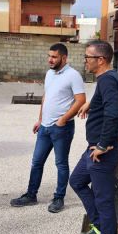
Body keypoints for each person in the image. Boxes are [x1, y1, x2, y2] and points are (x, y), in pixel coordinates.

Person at [69, 40, 118, 234]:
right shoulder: (106, 80)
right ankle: (98, 226)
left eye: (88, 57)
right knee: (77, 180)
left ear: (100, 60)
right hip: (93, 149)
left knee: (104, 201)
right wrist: (90, 104)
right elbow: (107, 104)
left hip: (101, 152)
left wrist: (104, 144)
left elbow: (114, 114)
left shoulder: (109, 80)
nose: (85, 61)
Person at [10, 43, 86, 213]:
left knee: (61, 164)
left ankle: (59, 198)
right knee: (37, 162)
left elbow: (81, 100)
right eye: (49, 56)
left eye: (54, 57)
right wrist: (40, 119)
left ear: (64, 58)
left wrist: (63, 119)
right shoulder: (49, 74)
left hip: (62, 128)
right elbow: (46, 96)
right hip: (44, 128)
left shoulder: (73, 75)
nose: (50, 60)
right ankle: (31, 195)